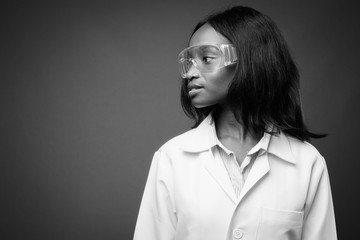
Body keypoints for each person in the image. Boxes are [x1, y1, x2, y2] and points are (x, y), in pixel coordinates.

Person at [133, 6, 337, 240]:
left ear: (250, 59)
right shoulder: (171, 158)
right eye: (188, 62)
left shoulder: (307, 163)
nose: (190, 72)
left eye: (206, 58)